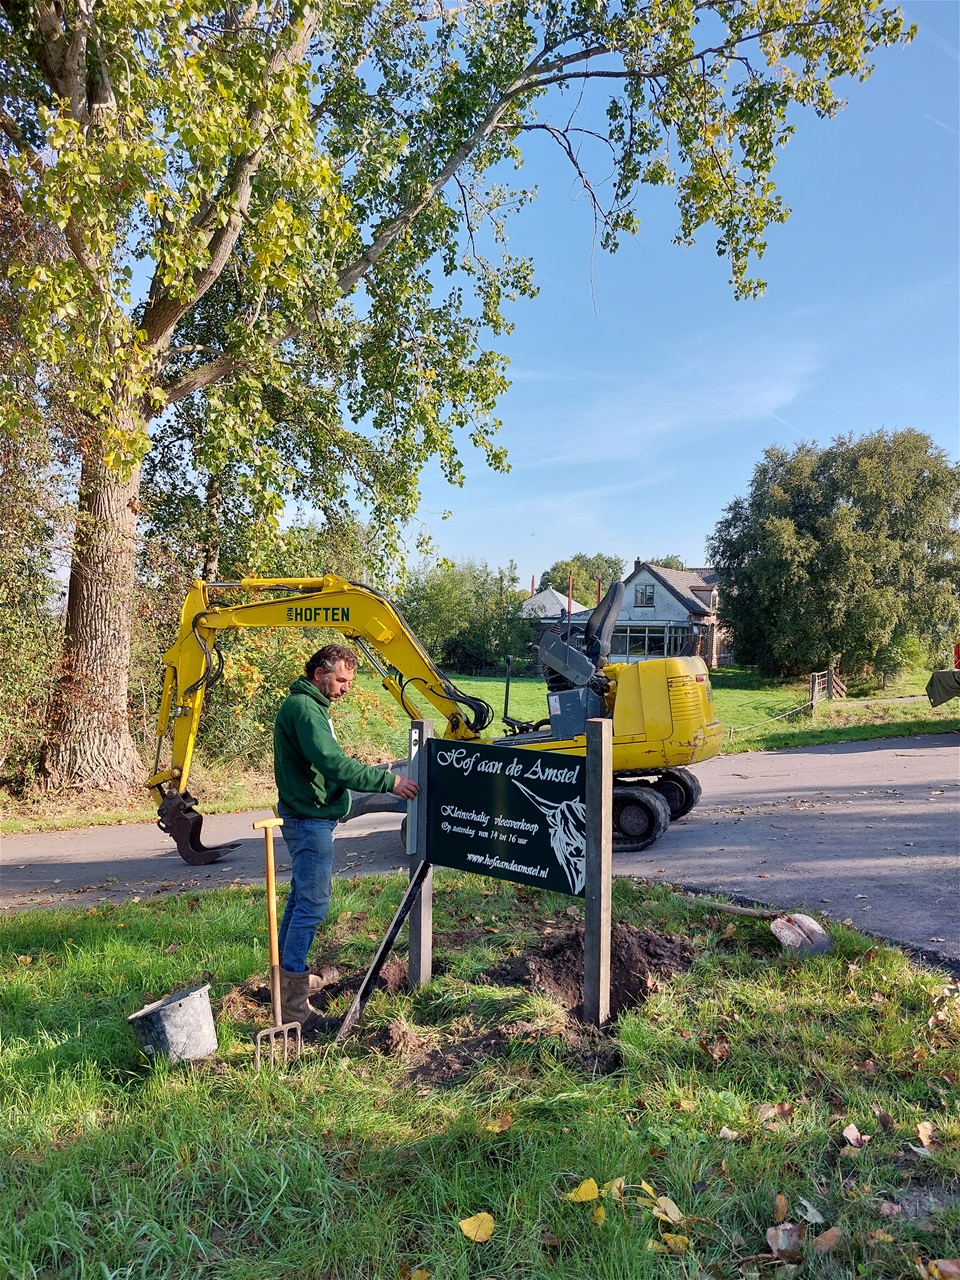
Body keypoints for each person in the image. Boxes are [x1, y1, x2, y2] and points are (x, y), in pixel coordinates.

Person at [274, 643, 418, 1029]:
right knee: (312, 905)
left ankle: (290, 981)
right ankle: (294, 1010)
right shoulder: (304, 709)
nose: (345, 688)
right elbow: (333, 764)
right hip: (309, 819)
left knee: (300, 900)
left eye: (349, 681)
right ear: (319, 674)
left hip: (309, 812)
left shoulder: (309, 706)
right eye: (340, 680)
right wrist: (391, 781)